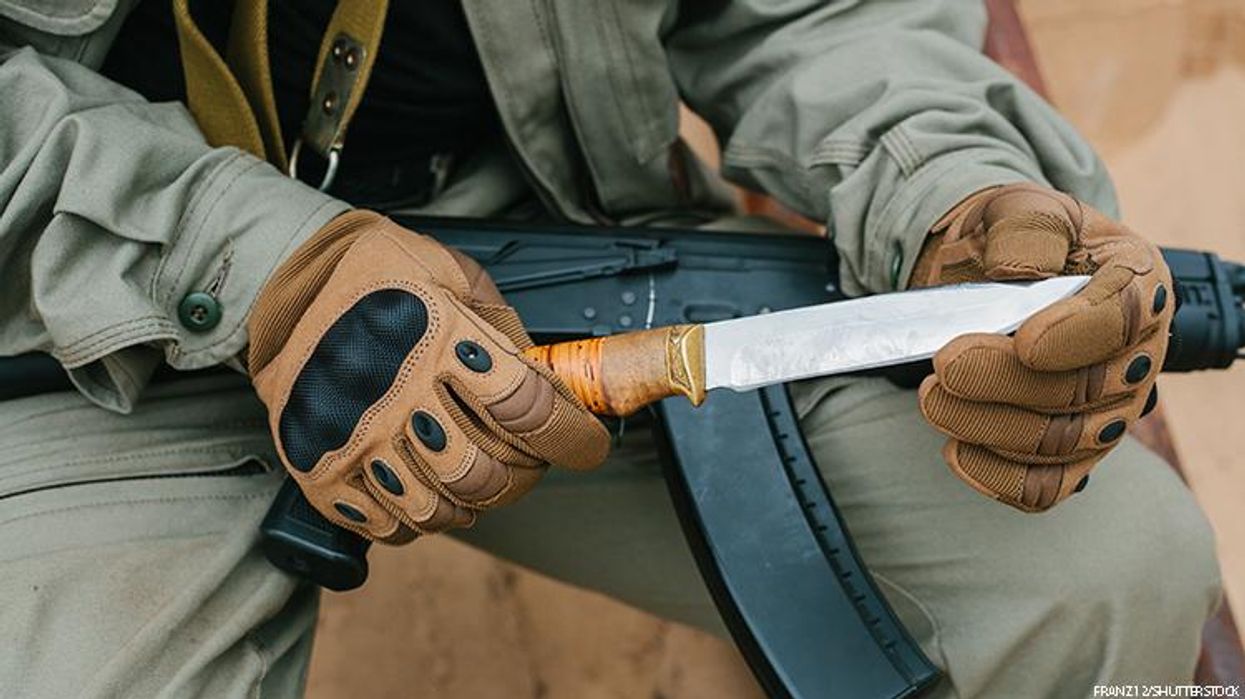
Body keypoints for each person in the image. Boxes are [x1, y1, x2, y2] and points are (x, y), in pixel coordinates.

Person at [0, 1, 1221, 696]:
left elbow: (813, 16)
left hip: (536, 268)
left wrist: (949, 187)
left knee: (1112, 564)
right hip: (92, 324)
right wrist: (265, 269)